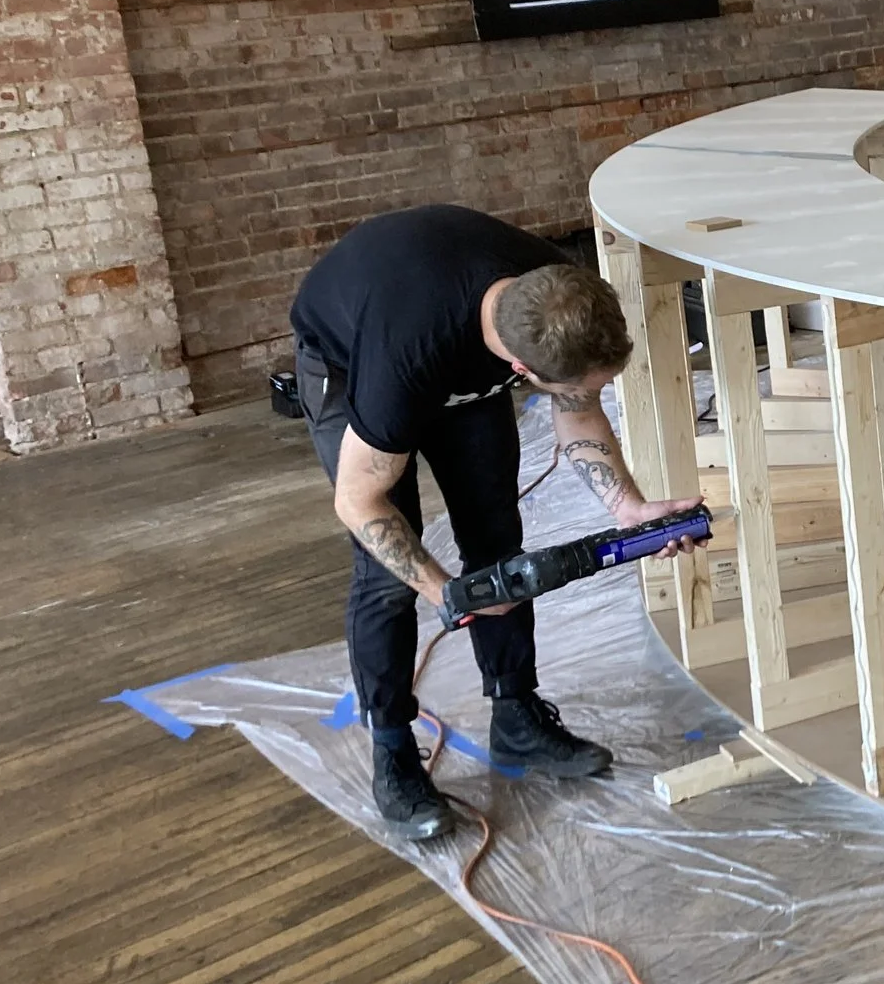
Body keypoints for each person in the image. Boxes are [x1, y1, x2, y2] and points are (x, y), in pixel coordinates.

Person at [290, 205, 704, 843]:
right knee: (386, 576)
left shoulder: (558, 298)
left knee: (496, 541)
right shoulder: (403, 359)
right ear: (520, 372)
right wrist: (448, 596)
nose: (578, 394)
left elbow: (577, 407)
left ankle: (516, 713)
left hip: (458, 356)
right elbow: (358, 501)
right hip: (353, 364)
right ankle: (394, 752)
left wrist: (629, 508)